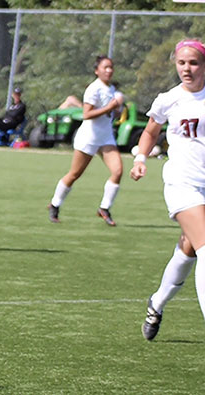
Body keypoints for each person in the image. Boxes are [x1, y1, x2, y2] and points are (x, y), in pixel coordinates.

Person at [130, 39, 205, 341]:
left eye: (194, 63)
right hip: (182, 182)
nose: (187, 69)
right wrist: (139, 159)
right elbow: (150, 131)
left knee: (188, 247)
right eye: (182, 62)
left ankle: (157, 302)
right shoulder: (169, 99)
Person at [47, 55, 124, 226]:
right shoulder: (93, 89)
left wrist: (116, 110)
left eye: (111, 67)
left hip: (105, 137)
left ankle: (104, 208)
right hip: (89, 137)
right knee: (75, 174)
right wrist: (109, 108)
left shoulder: (112, 89)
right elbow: (86, 114)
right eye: (105, 67)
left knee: (118, 171)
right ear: (97, 71)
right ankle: (55, 204)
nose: (109, 70)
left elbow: (111, 113)